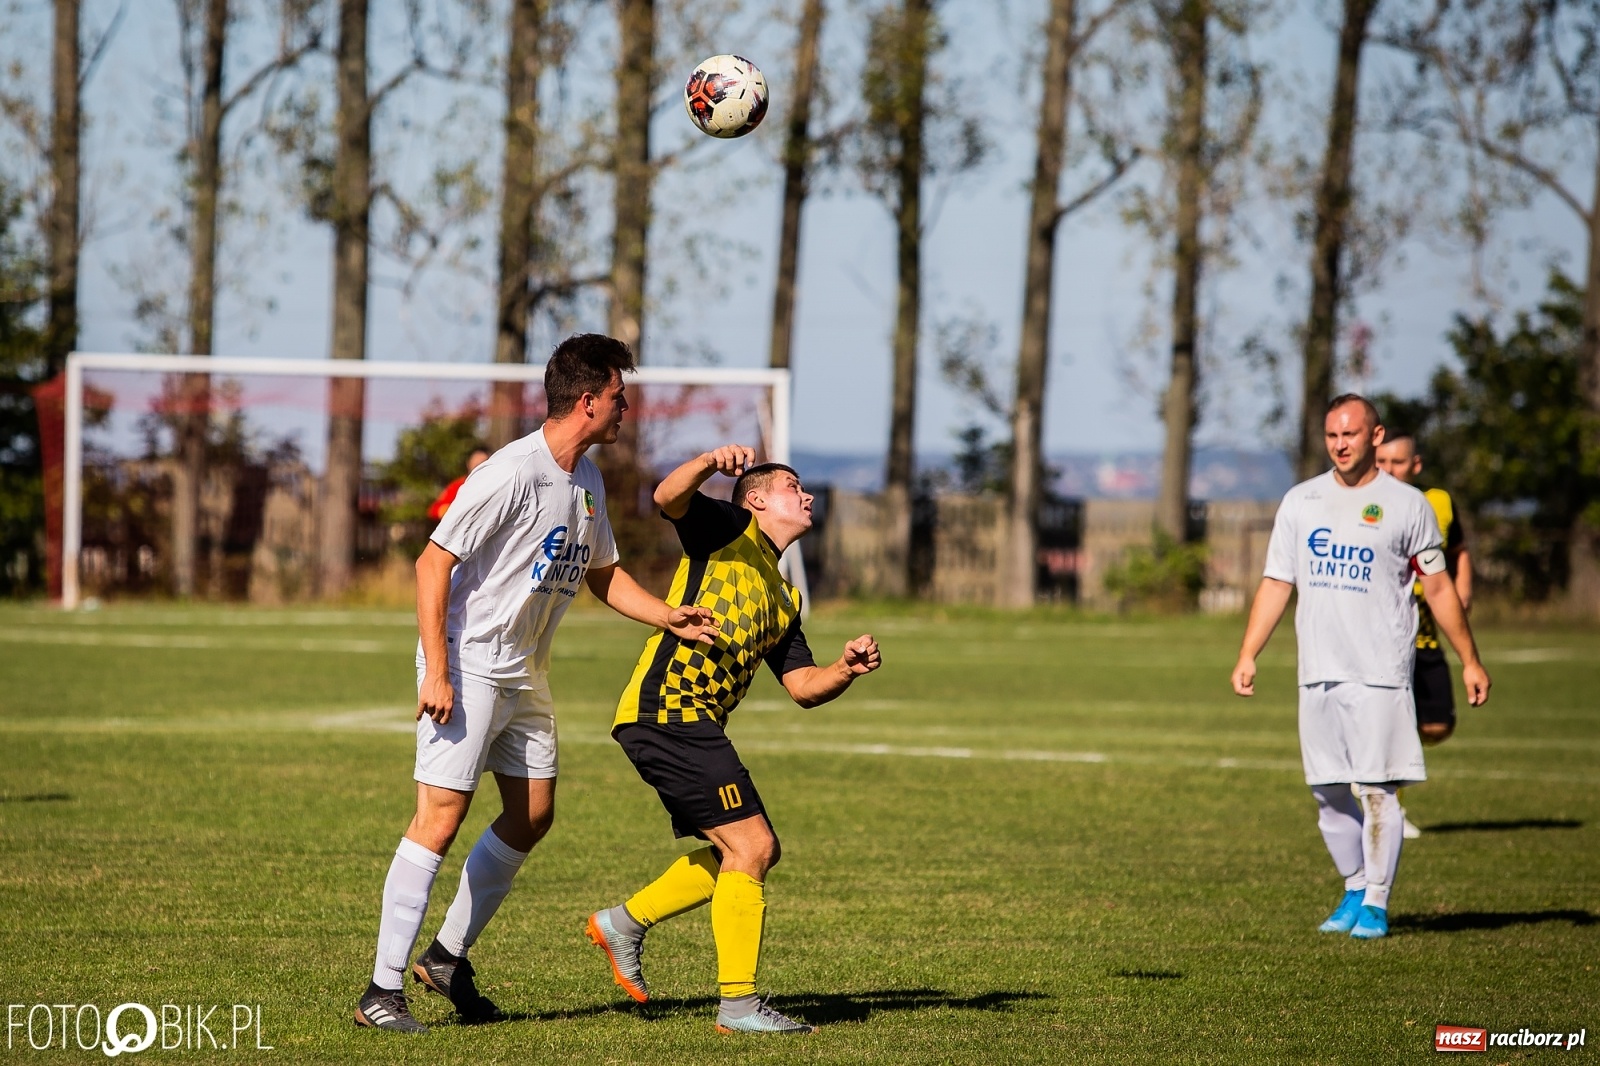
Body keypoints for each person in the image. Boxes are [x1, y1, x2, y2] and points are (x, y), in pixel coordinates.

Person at [355, 334, 719, 1033]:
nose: (626, 408)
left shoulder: (587, 480)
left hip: (525, 671)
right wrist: (436, 670)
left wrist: (669, 615)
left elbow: (603, 573)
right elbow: (432, 566)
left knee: (533, 814)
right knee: (440, 817)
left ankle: (447, 958)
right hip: (469, 663)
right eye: (619, 396)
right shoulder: (508, 472)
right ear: (587, 400)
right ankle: (381, 990)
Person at [584, 446, 881, 1035]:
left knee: (744, 851)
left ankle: (624, 923)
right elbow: (667, 497)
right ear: (757, 499)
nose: (808, 496)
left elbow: (802, 686)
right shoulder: (728, 527)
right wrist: (708, 461)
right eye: (793, 487)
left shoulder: (784, 595)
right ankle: (738, 1007)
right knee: (753, 848)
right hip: (668, 710)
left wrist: (845, 668)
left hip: (689, 721)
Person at [1230, 394, 1490, 940]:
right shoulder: (1302, 501)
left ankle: (1376, 902)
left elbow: (1438, 586)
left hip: (1380, 672)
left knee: (1376, 789)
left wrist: (1469, 659)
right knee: (1326, 790)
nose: (1340, 444)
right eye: (1331, 436)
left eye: (1350, 434)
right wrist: (1248, 652)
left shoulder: (1408, 505)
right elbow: (1278, 582)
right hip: (1317, 670)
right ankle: (1353, 884)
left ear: (1375, 436)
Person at [1375, 430, 1472, 838]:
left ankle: (1379, 773)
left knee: (1436, 727)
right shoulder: (1369, 504)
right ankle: (1388, 807)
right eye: (1381, 462)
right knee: (1393, 724)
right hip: (1386, 637)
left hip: (1428, 634)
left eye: (1396, 463)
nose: (1388, 471)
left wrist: (1461, 588)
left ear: (1415, 465)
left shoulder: (1438, 503)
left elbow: (1458, 549)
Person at [426, 444, 492, 521]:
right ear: (468, 464)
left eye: (483, 463)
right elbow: (434, 510)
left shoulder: (495, 485)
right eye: (476, 464)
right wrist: (457, 510)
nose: (478, 468)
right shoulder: (458, 486)